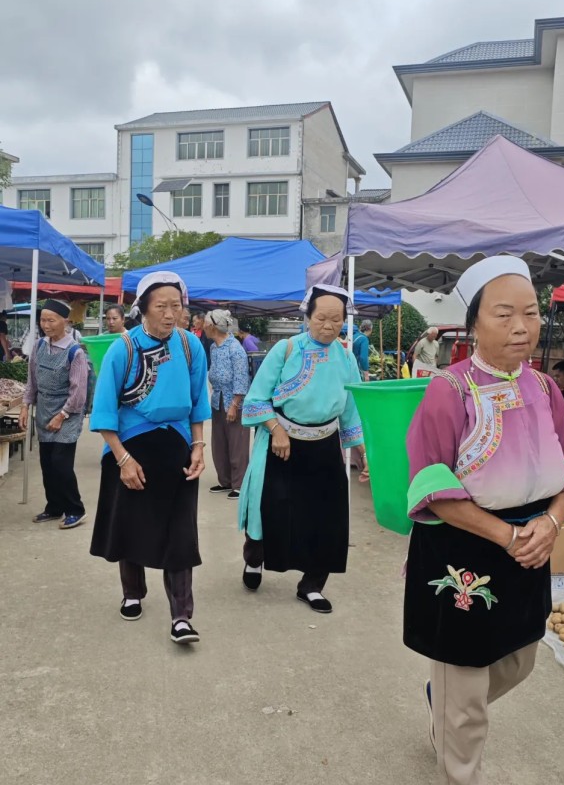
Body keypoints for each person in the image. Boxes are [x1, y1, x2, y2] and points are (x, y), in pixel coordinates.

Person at [404, 256, 564, 785]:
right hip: (465, 552)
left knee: (518, 658)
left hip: (531, 543)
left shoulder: (545, 389)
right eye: (504, 314)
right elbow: (432, 485)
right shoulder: (448, 390)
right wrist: (507, 534)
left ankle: (447, 702)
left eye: (531, 313)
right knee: (466, 688)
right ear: (474, 324)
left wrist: (553, 524)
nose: (521, 326)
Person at [89, 271, 211, 645]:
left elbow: (197, 404)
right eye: (162, 306)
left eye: (177, 306)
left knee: (180, 532)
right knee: (131, 524)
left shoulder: (191, 346)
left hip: (176, 447)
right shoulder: (122, 348)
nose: (171, 314)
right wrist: (123, 459)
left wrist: (198, 446)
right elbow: (104, 411)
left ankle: (181, 617)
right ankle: (132, 592)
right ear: (142, 308)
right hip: (131, 447)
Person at [238, 284, 367, 613]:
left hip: (325, 447)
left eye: (336, 320)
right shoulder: (286, 349)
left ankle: (312, 585)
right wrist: (276, 429)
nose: (328, 325)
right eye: (321, 317)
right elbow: (256, 399)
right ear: (307, 317)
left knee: (327, 519)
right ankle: (255, 559)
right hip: (282, 445)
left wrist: (363, 452)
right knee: (270, 510)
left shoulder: (346, 356)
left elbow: (352, 408)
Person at [18, 299, 89, 529]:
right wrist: (25, 406)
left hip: (68, 413)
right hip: (44, 411)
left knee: (61, 463)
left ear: (65, 321)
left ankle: (75, 509)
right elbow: (32, 381)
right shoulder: (39, 346)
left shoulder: (75, 353)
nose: (46, 325)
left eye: (51, 320)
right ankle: (54, 507)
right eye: (43, 320)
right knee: (47, 463)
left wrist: (62, 415)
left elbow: (78, 393)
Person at [204, 309, 250, 499]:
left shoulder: (235, 348)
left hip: (233, 400)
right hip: (218, 399)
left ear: (211, 326)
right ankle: (225, 480)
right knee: (220, 441)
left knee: (237, 442)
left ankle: (239, 483)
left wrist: (234, 404)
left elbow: (241, 378)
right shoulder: (214, 347)